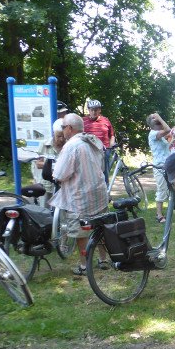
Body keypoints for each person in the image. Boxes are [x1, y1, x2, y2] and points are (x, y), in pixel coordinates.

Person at [49, 113, 109, 275]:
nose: (62, 131)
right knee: (101, 226)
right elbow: (102, 166)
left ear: (69, 128)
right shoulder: (93, 140)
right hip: (99, 192)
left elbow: (60, 174)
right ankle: (103, 260)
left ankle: (84, 265)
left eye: (63, 127)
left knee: (81, 232)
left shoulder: (71, 146)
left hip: (80, 196)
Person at [31, 101, 70, 206]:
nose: (61, 139)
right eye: (59, 136)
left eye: (63, 136)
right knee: (44, 210)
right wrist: (53, 164)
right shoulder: (45, 145)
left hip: (63, 185)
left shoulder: (69, 146)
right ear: (54, 134)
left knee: (62, 213)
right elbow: (38, 164)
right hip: (46, 184)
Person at [146, 113, 172, 223]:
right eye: (159, 122)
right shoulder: (153, 134)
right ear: (156, 124)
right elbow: (168, 130)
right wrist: (160, 118)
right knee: (162, 190)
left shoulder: (159, 136)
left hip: (166, 165)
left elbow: (166, 148)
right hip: (159, 167)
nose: (161, 124)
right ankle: (159, 215)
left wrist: (173, 141)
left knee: (170, 189)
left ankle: (170, 210)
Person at [83, 99, 115, 183]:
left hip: (104, 150)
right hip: (89, 151)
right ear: (89, 110)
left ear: (100, 110)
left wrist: (110, 147)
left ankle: (106, 191)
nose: (94, 112)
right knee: (90, 173)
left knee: (104, 173)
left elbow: (112, 135)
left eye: (96, 110)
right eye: (92, 110)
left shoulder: (105, 120)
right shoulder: (83, 121)